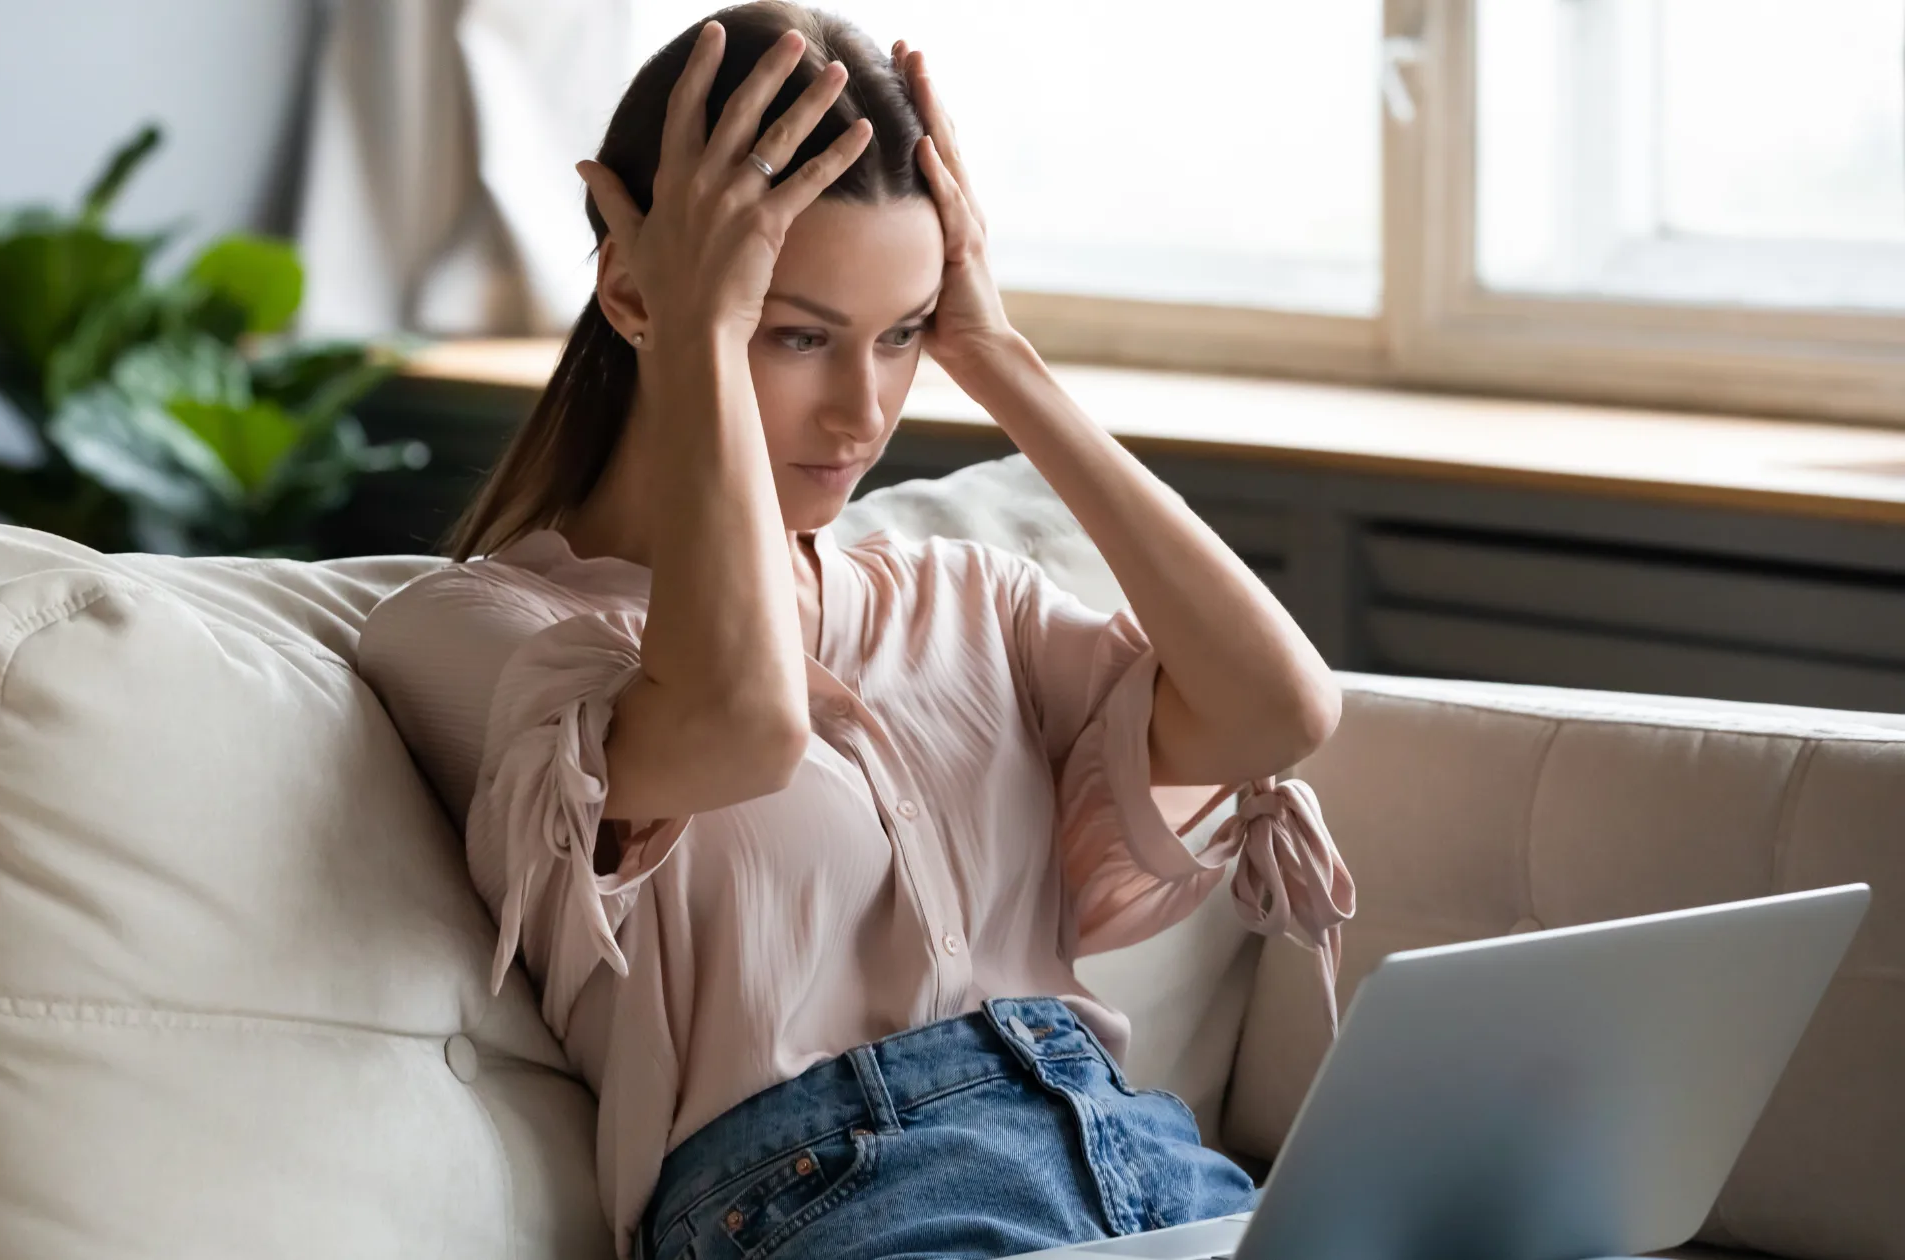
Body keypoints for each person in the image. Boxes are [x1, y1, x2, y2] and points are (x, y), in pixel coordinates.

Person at [357, 5, 1356, 1258]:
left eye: (901, 336)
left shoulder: (962, 597)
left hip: (1145, 1167)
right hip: (823, 1199)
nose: (863, 411)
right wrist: (705, 338)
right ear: (632, 293)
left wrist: (997, 355)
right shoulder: (470, 636)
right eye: (794, 334)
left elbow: (1282, 710)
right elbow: (738, 726)